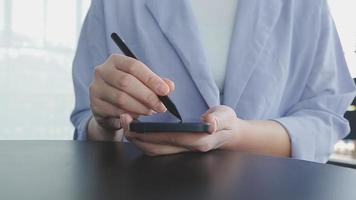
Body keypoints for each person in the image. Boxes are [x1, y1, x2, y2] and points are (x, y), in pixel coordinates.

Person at [70, 0, 356, 163]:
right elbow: (89, 125)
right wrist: (105, 123)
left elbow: (325, 117)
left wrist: (239, 134)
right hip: (142, 189)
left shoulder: (306, 5)